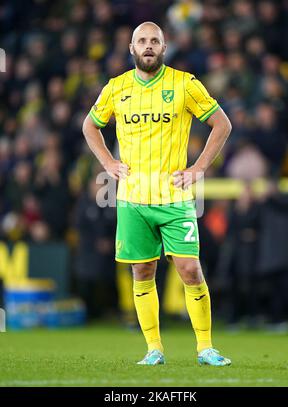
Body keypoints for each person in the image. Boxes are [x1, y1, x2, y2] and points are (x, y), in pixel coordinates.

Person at [82, 21, 232, 366]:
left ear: (163, 48)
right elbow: (90, 125)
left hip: (175, 198)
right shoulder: (116, 88)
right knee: (142, 272)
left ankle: (205, 347)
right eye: (142, 41)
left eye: (154, 41)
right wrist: (107, 162)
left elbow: (222, 123)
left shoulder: (184, 84)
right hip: (132, 199)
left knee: (190, 270)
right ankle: (154, 349)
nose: (148, 45)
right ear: (132, 48)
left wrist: (199, 169)